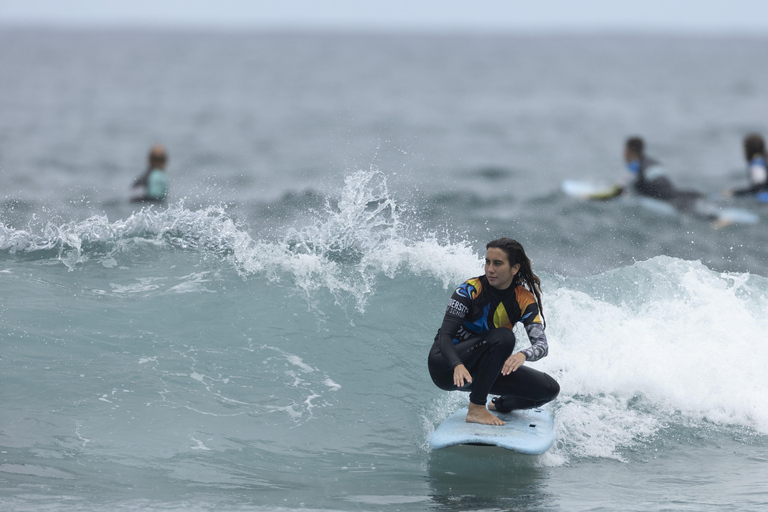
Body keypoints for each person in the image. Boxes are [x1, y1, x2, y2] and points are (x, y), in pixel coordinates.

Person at [427, 238, 560, 426]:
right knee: (504, 338)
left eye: (498, 263)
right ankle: (476, 408)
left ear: (514, 269)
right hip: (447, 366)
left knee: (548, 389)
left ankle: (500, 405)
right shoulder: (469, 290)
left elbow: (542, 346)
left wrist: (523, 355)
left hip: (484, 371)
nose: (490, 269)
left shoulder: (523, 299)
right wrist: (457, 364)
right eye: (487, 262)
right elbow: (445, 336)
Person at [589, 136, 702, 211]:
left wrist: (591, 197)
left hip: (663, 198)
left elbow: (615, 192)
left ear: (627, 151)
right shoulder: (653, 161)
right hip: (675, 192)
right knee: (696, 198)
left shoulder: (634, 166)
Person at [726, 133, 768, 197]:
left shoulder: (757, 164)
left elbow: (759, 188)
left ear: (747, 150)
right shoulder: (763, 160)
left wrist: (734, 193)